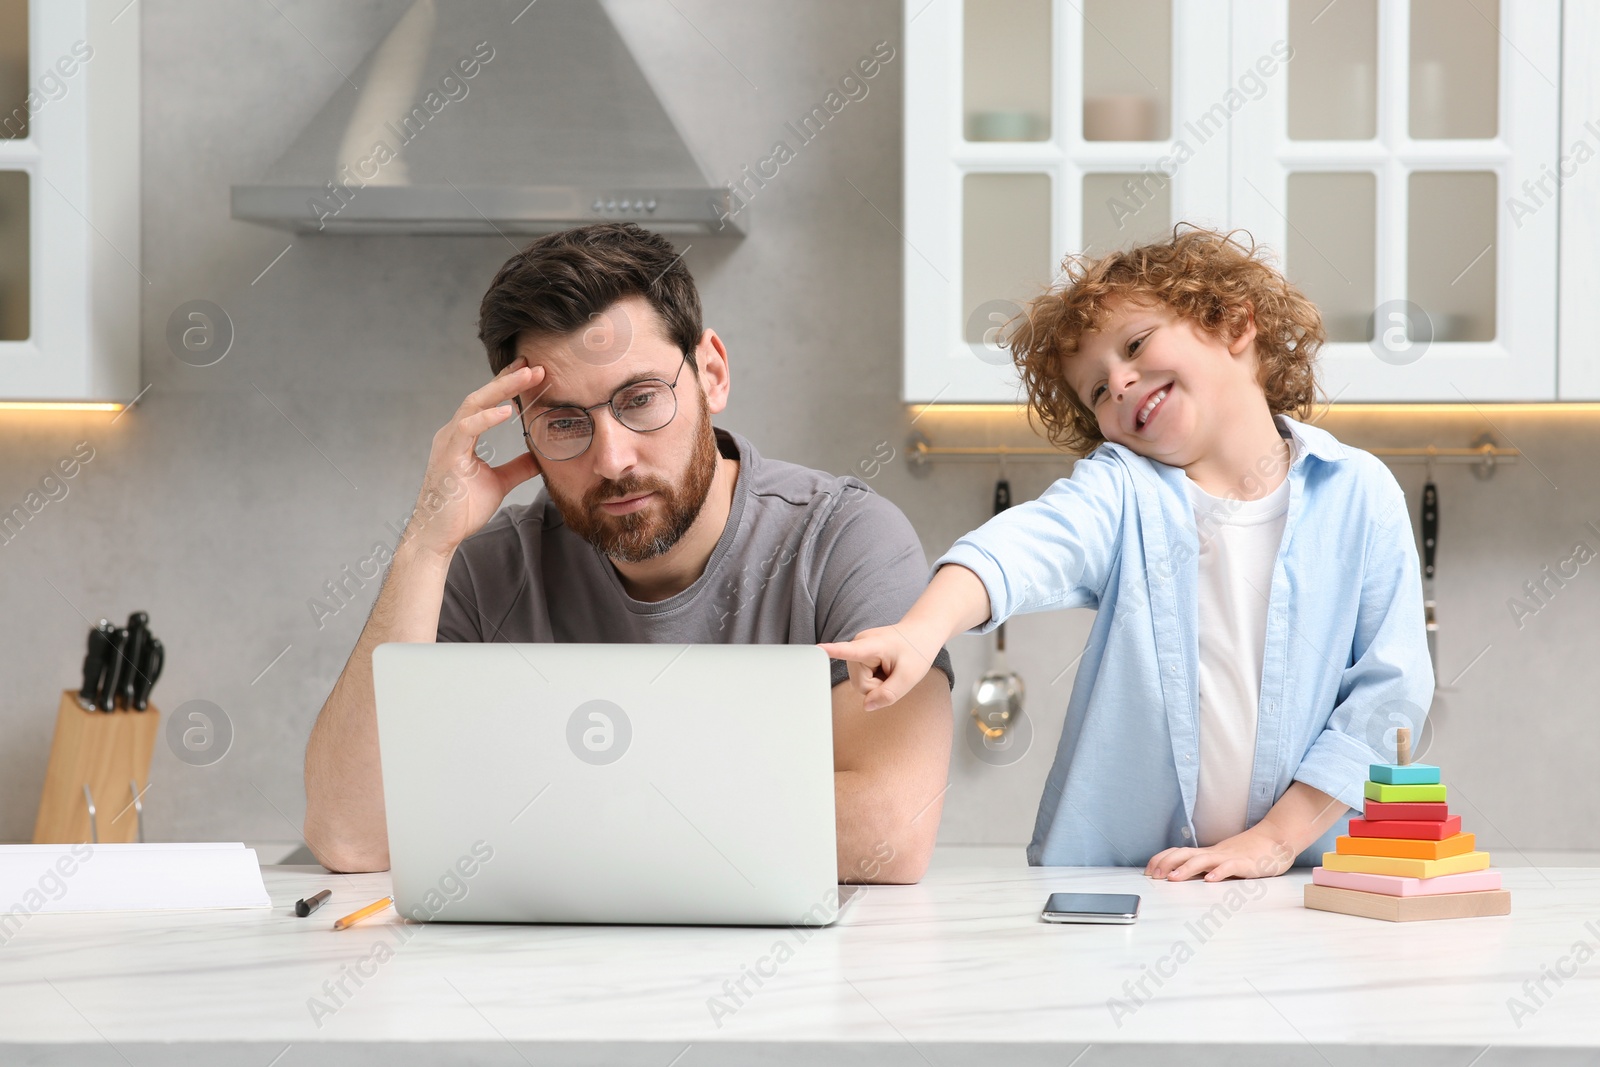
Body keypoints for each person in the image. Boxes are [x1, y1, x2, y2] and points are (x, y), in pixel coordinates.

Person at [304, 223, 954, 882]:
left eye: (641, 399)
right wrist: (425, 543)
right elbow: (352, 837)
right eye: (563, 421)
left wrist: (539, 810)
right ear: (524, 429)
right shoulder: (485, 572)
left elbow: (888, 830)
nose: (612, 459)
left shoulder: (845, 541)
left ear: (712, 373)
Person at [822, 227, 1433, 882]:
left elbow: (1389, 694)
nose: (1118, 383)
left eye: (1135, 344)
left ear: (1233, 324)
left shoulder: (1361, 494)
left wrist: (1276, 839)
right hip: (1121, 883)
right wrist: (924, 628)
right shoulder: (1121, 489)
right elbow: (1026, 543)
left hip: (1298, 879)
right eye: (1095, 391)